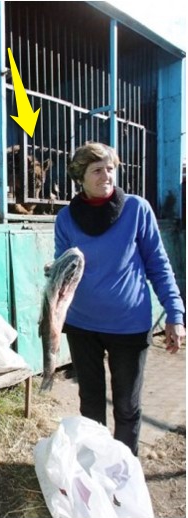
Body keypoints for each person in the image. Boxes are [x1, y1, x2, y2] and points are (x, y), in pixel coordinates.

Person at [55, 141, 185, 456]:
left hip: (129, 325)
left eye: (111, 168)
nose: (106, 176)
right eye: (97, 170)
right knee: (91, 404)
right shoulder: (66, 219)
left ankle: (124, 473)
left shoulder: (137, 210)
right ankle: (95, 467)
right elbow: (62, 274)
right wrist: (53, 317)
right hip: (82, 325)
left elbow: (158, 265)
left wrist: (175, 314)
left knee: (127, 406)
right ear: (80, 177)